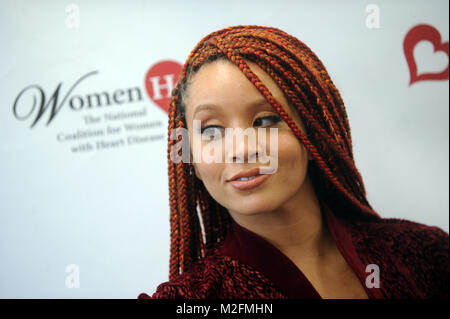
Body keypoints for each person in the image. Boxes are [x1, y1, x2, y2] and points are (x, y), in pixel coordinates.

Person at [138, 25, 448, 299]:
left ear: (312, 133)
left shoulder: (426, 252)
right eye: (211, 130)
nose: (241, 149)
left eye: (265, 120)